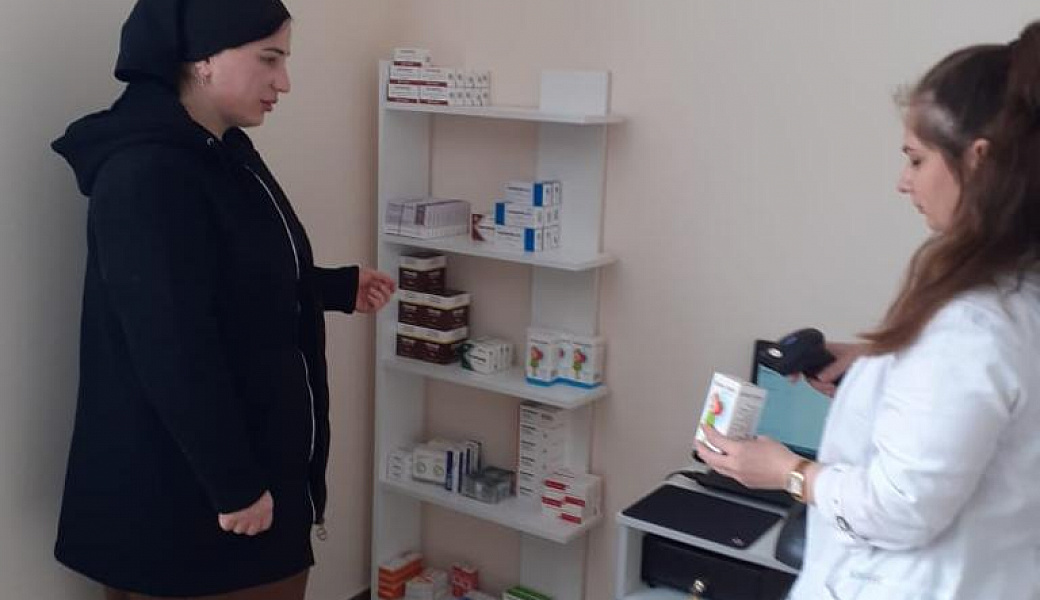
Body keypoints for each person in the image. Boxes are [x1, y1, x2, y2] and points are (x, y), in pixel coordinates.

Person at [51, 0, 395, 598]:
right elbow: (172, 347)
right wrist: (235, 484)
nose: (284, 82)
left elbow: (223, 282)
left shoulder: (221, 152)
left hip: (240, 480)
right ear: (203, 59)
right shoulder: (147, 172)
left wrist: (335, 287)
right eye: (270, 59)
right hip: (193, 505)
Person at [697, 21, 1040, 599]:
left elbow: (899, 507)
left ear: (978, 162)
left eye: (916, 160)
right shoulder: (1015, 296)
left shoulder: (973, 326)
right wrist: (879, 364)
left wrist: (787, 472)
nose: (903, 183)